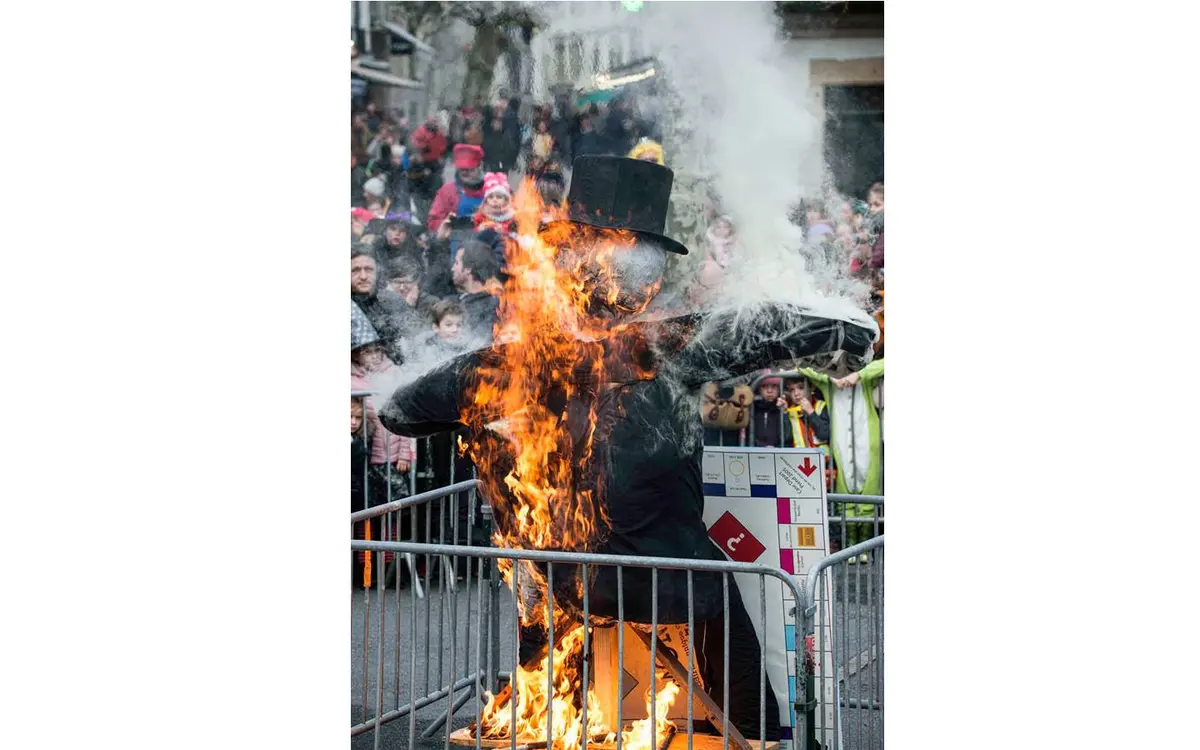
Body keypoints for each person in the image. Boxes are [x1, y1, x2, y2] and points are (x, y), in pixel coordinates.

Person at [380, 156, 826, 741]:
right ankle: (763, 731)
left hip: (567, 575)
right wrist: (843, 328)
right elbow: (763, 328)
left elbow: (406, 406)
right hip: (667, 577)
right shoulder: (660, 345)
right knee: (722, 611)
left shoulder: (529, 360)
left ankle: (540, 716)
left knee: (545, 589)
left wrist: (468, 428)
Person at [350, 248, 406, 364]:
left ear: (377, 273)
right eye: (355, 270)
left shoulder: (392, 300)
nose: (363, 276)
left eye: (369, 269)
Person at [427, 144, 487, 233]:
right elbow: (433, 222)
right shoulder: (447, 191)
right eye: (462, 170)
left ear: (480, 166)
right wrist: (449, 225)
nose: (465, 173)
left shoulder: (493, 187)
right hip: (457, 242)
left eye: (469, 169)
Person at [451, 239, 501, 343]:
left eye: (456, 263)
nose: (452, 268)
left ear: (468, 269)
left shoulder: (491, 306)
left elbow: (479, 346)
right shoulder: (463, 300)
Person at [750, 376, 787, 447]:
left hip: (779, 452)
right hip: (756, 451)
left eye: (774, 386)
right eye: (764, 386)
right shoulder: (752, 408)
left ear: (780, 389)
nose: (769, 391)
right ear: (758, 389)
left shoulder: (784, 406)